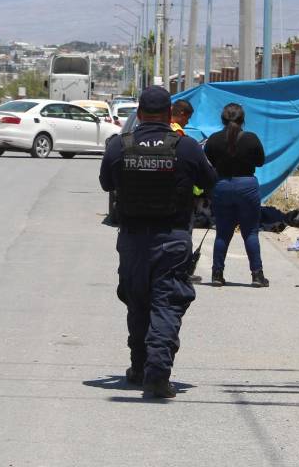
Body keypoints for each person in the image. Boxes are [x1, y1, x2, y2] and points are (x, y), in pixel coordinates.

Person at [99, 86, 217, 398]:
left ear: (138, 114)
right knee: (166, 304)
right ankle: (156, 373)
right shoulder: (187, 147)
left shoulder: (119, 146)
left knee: (138, 302)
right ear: (169, 115)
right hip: (172, 238)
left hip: (133, 239)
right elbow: (209, 182)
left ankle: (139, 367)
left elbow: (106, 183)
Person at [204, 103, 268, 288]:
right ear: (243, 120)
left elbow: (209, 162)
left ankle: (217, 274)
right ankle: (257, 275)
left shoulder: (214, 140)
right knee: (250, 232)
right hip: (247, 186)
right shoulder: (251, 138)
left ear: (222, 119)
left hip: (222, 186)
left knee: (223, 233)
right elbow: (261, 161)